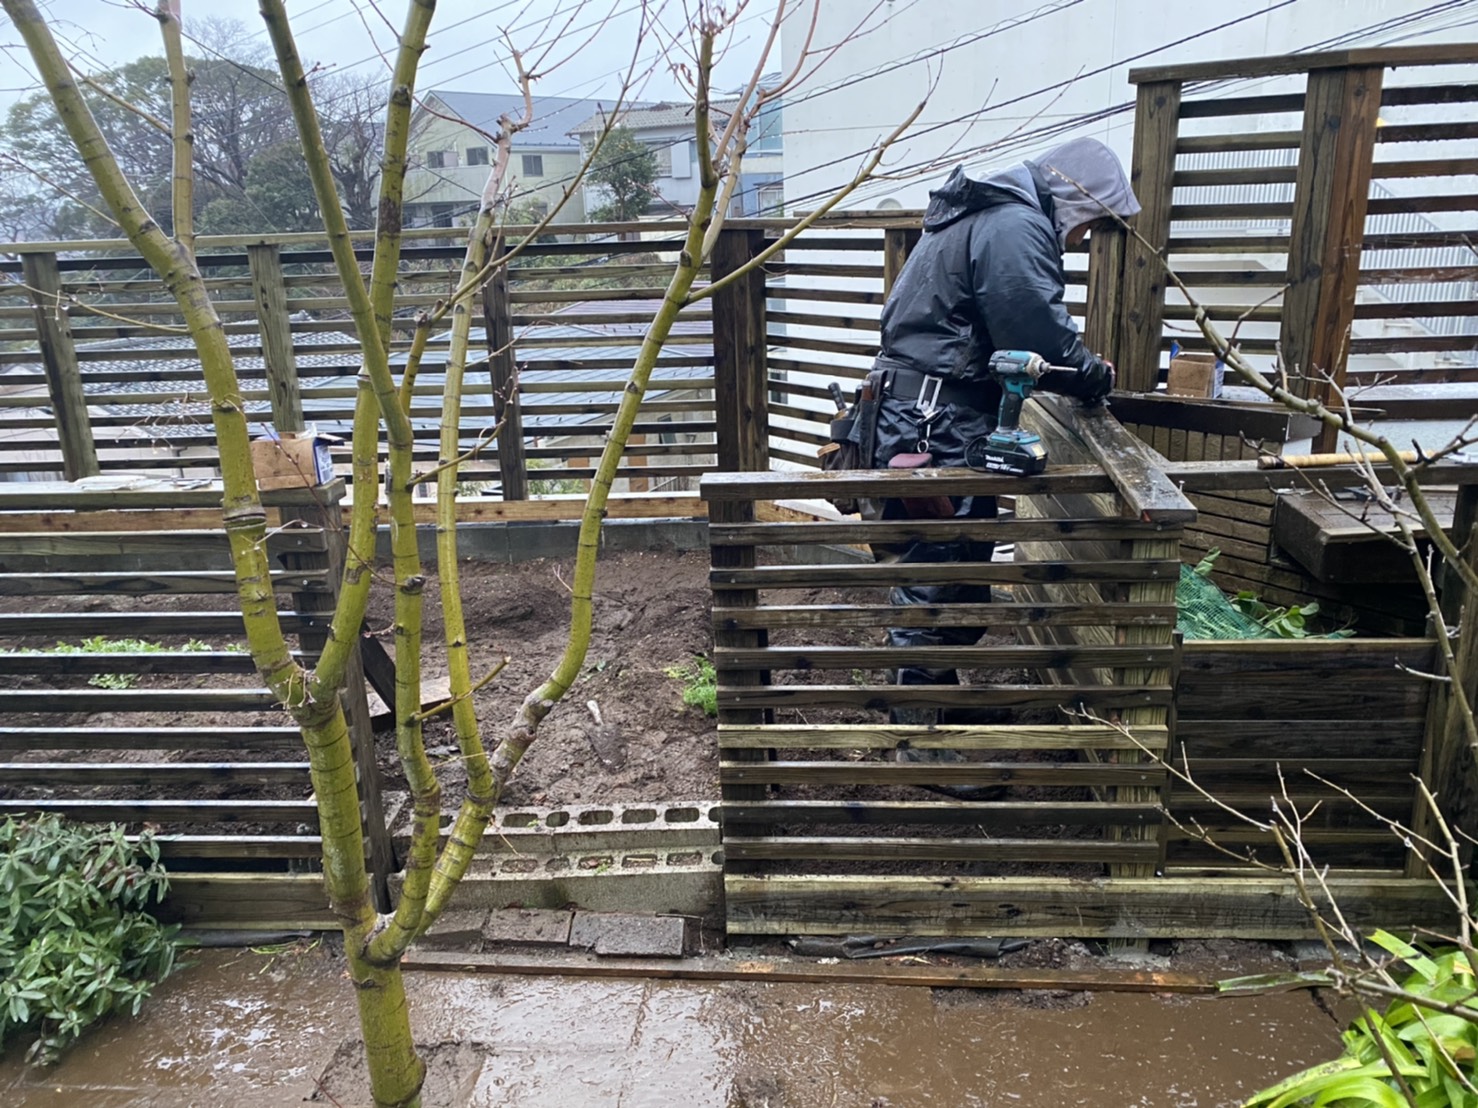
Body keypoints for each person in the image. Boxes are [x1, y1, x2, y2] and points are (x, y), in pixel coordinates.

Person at [865, 137, 1141, 793]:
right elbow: (1032, 327)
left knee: (960, 579)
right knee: (937, 576)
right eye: (1090, 224)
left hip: (931, 417)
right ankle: (917, 742)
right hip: (936, 426)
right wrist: (1091, 372)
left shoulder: (990, 213)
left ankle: (936, 705)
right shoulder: (1015, 222)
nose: (1080, 241)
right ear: (1074, 195)